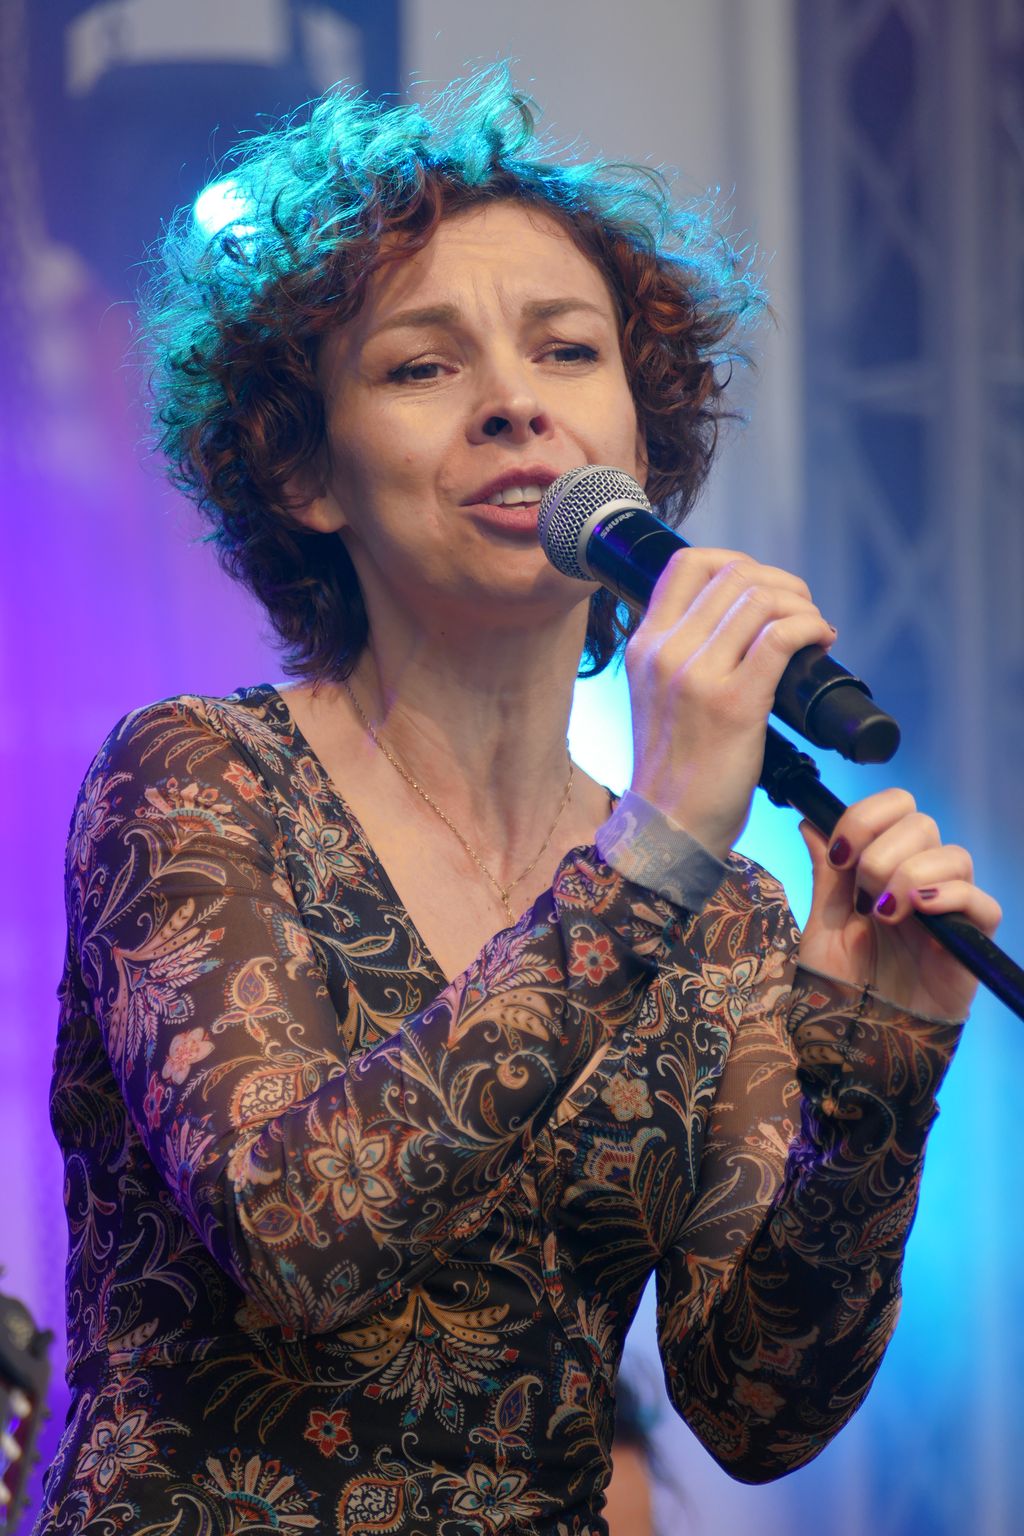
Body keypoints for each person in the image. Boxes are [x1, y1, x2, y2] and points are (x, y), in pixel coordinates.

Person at [35, 69, 1001, 1536]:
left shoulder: (718, 913)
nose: (513, 404)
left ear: (637, 441)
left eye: (566, 351)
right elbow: (297, 1235)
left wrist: (882, 1066)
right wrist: (656, 847)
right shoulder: (195, 779)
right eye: (423, 368)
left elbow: (757, 1411)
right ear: (303, 472)